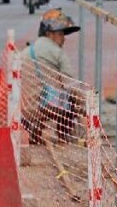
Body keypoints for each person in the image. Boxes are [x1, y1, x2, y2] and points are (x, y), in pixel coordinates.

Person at [21, 9, 84, 144]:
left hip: (24, 109)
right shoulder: (57, 53)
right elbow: (72, 86)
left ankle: (35, 128)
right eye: (61, 34)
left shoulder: (25, 52)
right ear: (49, 34)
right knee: (72, 98)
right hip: (47, 107)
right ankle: (64, 136)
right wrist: (86, 106)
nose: (64, 39)